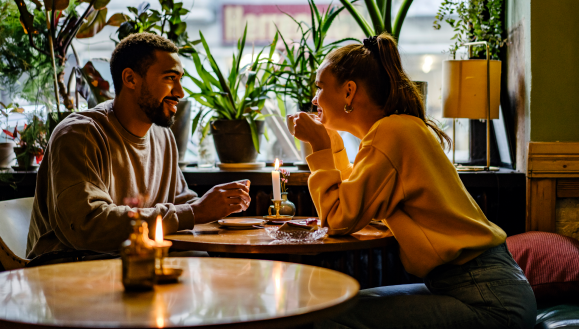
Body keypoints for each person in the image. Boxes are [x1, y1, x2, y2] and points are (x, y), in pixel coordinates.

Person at [289, 33, 536, 329]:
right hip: (475, 288)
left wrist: (319, 148)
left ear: (349, 92)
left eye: (320, 87)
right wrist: (332, 145)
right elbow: (353, 198)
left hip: (488, 300)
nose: (314, 99)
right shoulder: (396, 130)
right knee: (336, 306)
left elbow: (339, 220)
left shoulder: (392, 133)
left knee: (327, 317)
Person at [27, 33, 251, 260]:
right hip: (67, 271)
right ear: (130, 79)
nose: (180, 93)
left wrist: (221, 210)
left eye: (180, 79)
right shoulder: (80, 134)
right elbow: (87, 226)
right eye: (170, 78)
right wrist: (195, 212)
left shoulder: (163, 136)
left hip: (134, 260)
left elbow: (181, 204)